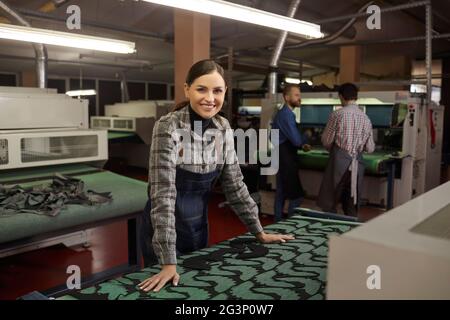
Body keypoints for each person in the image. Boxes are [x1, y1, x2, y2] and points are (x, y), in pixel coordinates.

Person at [139, 59, 294, 293]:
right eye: (201, 89)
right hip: (162, 230)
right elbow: (163, 195)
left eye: (217, 91)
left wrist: (259, 231)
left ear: (225, 93)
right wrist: (168, 261)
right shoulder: (168, 127)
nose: (210, 98)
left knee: (196, 289)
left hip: (197, 227)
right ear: (187, 89)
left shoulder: (223, 127)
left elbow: (235, 185)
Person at [317, 83, 375, 217]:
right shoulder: (366, 118)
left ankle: (329, 234)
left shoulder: (337, 115)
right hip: (357, 167)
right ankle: (349, 234)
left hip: (338, 164)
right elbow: (370, 148)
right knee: (351, 205)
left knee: (331, 202)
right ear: (356, 97)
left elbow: (326, 140)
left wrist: (334, 150)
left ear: (341, 97)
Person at [271, 84, 311, 222]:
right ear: (286, 97)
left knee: (281, 193)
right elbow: (295, 140)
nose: (299, 98)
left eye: (299, 95)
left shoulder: (281, 114)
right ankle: (290, 223)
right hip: (286, 158)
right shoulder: (287, 115)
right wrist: (305, 138)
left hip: (280, 156)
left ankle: (277, 222)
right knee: (297, 196)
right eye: (296, 95)